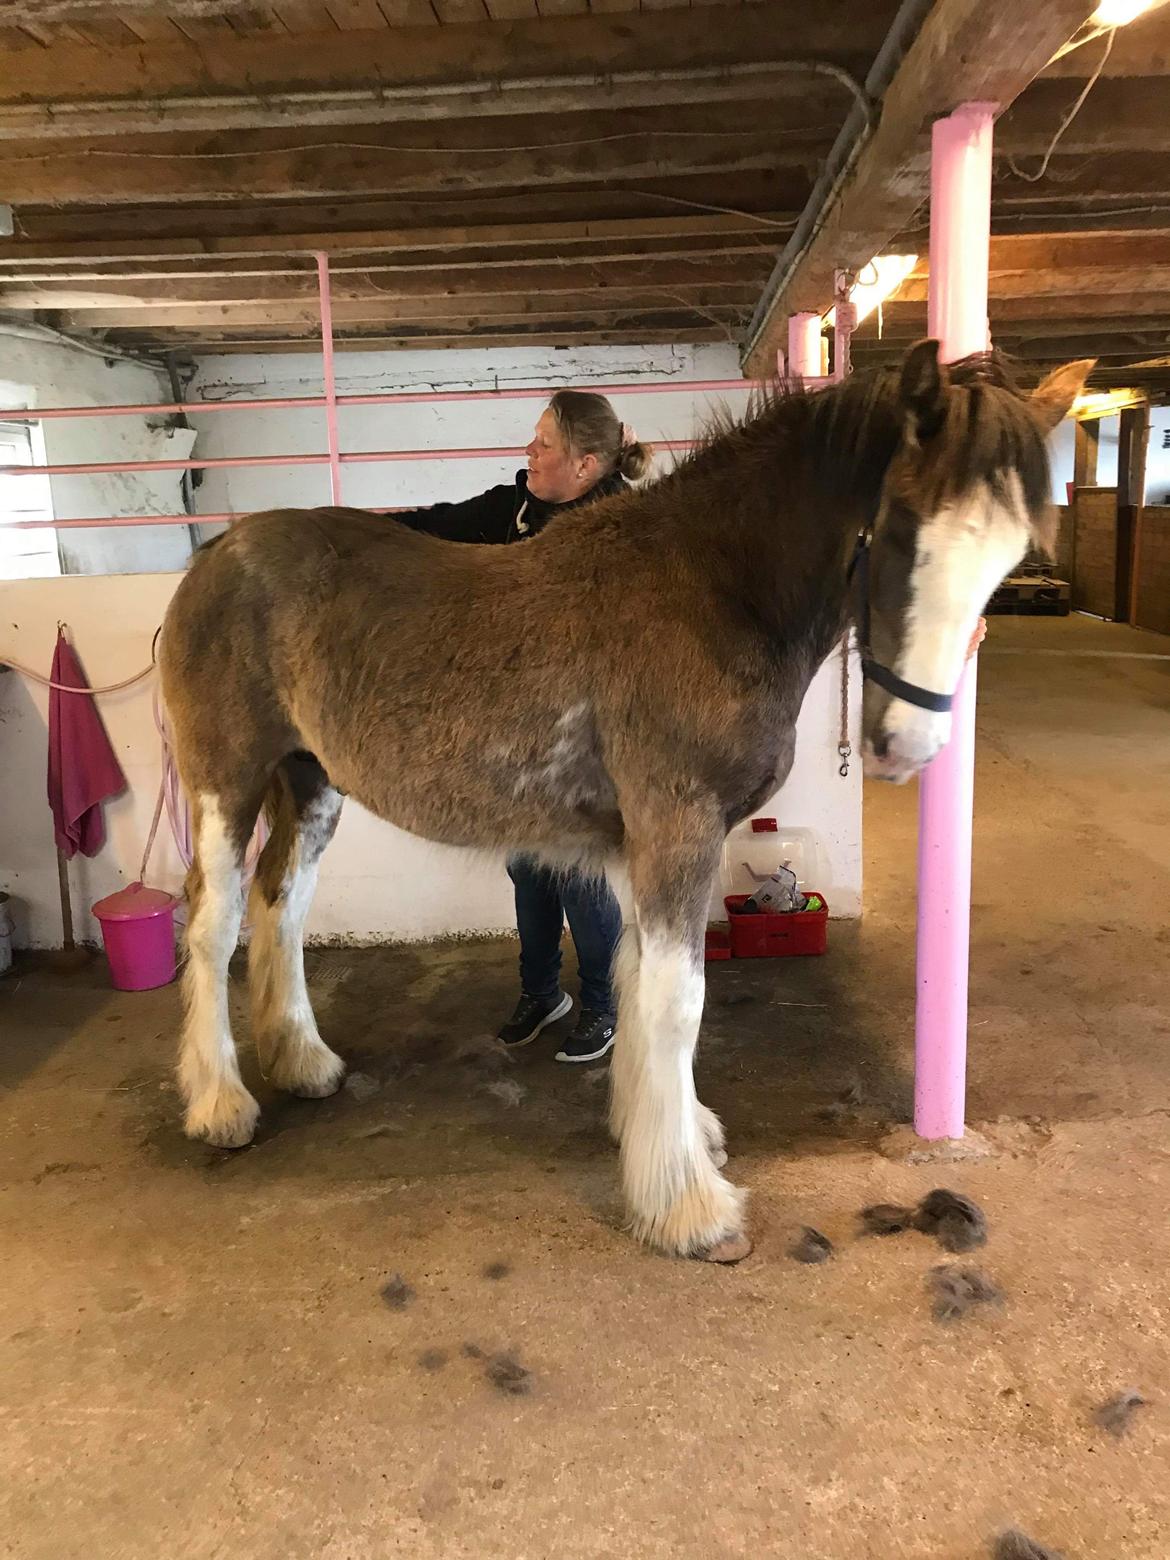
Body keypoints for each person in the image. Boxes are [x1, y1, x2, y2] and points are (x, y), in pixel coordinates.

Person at [395, 390, 652, 1063]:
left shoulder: (626, 531)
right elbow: (434, 524)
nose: (528, 453)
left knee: (579, 876)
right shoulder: (513, 509)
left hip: (589, 741)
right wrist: (349, 533)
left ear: (588, 463)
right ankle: (542, 992)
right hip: (519, 735)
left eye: (543, 444)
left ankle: (604, 1004)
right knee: (525, 867)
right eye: (533, 440)